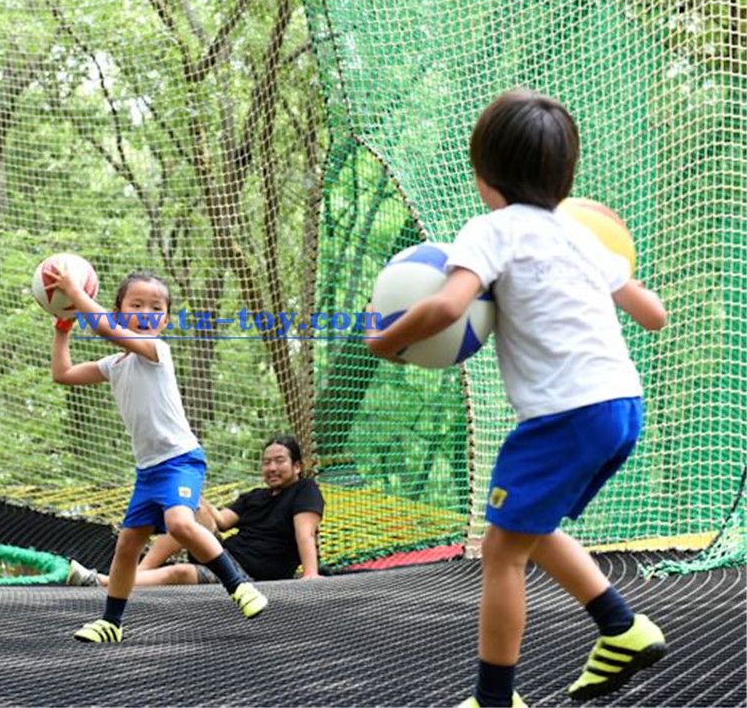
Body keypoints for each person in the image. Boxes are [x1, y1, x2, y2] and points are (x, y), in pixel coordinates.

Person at [365, 89, 669, 708]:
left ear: (482, 175)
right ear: (566, 175)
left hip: (566, 414)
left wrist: (386, 341)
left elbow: (449, 306)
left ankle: (494, 698)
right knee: (528, 525)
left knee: (501, 552)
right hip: (620, 406)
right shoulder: (581, 236)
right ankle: (621, 627)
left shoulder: (491, 230)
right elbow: (654, 315)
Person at [47, 267, 268, 643]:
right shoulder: (113, 366)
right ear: (119, 311)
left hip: (181, 459)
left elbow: (102, 328)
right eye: (137, 305)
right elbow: (63, 374)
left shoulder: (156, 352)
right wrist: (62, 330)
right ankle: (111, 622)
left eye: (156, 307)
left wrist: (73, 292)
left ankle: (238, 583)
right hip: (148, 471)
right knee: (127, 545)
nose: (147, 313)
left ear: (164, 319)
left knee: (181, 523)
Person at [68, 434, 324, 587]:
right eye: (267, 462)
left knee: (179, 572)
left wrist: (311, 574)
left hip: (249, 576)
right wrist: (189, 491)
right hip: (224, 555)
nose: (272, 468)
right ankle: (135, 575)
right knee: (182, 521)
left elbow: (305, 534)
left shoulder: (305, 490)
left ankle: (103, 582)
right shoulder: (255, 496)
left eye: (280, 461)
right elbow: (222, 521)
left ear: (298, 466)